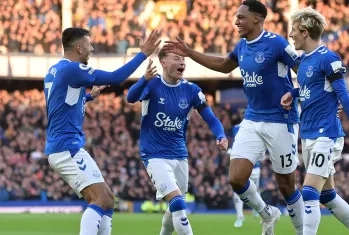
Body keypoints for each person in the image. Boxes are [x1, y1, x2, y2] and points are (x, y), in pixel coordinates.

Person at [163, 1, 303, 234]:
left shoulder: (277, 43)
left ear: (257, 18)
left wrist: (295, 92)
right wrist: (189, 53)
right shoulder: (242, 46)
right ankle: (267, 214)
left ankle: (303, 231)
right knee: (236, 179)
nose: (236, 21)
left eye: (241, 17)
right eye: (236, 17)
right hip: (252, 119)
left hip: (282, 120)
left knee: (287, 186)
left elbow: (305, 72)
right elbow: (222, 65)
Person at [44, 27, 161, 235]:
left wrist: (88, 97)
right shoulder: (73, 69)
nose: (92, 49)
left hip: (64, 146)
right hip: (66, 148)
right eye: (89, 45)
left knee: (108, 199)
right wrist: (143, 54)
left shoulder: (54, 70)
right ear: (79, 47)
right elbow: (116, 78)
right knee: (100, 199)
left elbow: (60, 103)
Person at [281, 7, 349, 235]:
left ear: (304, 31)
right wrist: (293, 94)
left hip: (327, 134)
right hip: (309, 135)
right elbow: (309, 89)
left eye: (293, 30)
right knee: (327, 195)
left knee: (310, 191)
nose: (291, 35)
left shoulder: (328, 58)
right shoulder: (304, 62)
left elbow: (343, 95)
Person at [126, 49, 229, 235]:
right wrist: (144, 79)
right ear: (163, 63)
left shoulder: (191, 90)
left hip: (180, 155)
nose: (182, 62)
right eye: (176, 58)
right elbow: (131, 97)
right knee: (178, 203)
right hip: (154, 155)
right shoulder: (153, 84)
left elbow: (211, 119)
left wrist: (220, 134)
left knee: (175, 206)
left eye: (183, 59)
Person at [230, 123, 262, 228]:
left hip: (254, 166)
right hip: (240, 164)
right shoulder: (236, 128)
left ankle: (257, 208)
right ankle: (240, 216)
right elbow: (236, 144)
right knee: (237, 191)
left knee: (254, 191)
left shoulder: (258, 126)